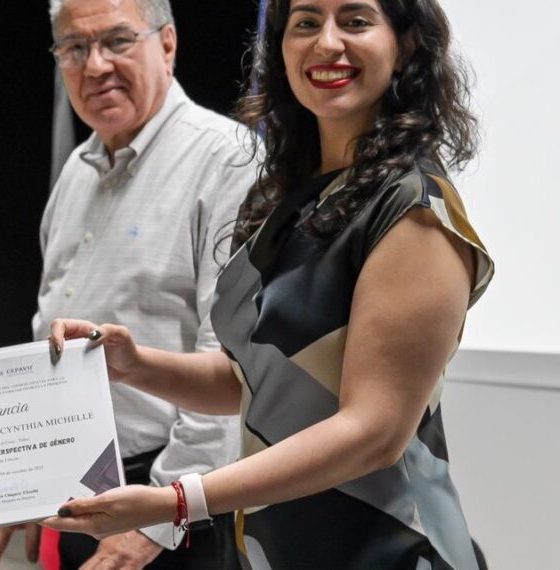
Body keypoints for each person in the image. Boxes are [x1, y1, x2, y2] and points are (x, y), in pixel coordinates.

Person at [43, 0, 493, 568]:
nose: (326, 43)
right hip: (276, 546)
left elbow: (373, 432)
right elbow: (255, 381)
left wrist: (176, 501)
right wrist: (133, 364)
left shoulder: (413, 210)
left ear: (404, 46)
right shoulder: (295, 196)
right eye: (305, 23)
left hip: (383, 549)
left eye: (355, 21)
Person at [0, 1, 252, 568]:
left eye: (117, 41)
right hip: (86, 495)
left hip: (184, 509)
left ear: (167, 44)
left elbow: (231, 365)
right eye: (74, 48)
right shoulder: (75, 172)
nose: (94, 66)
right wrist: (25, 478)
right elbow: (50, 346)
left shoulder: (229, 159)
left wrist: (160, 521)